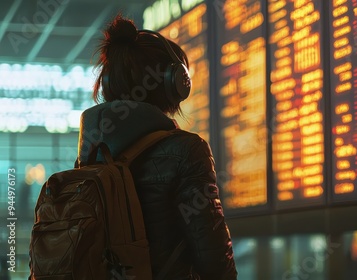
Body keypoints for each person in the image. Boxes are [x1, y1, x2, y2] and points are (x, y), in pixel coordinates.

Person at [76, 15, 237, 279]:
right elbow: (214, 257)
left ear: (107, 85)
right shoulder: (187, 151)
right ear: (175, 83)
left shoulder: (90, 156)